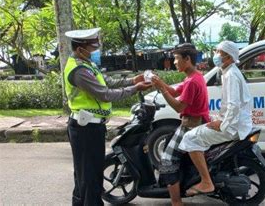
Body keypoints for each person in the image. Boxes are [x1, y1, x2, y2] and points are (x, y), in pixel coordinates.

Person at [64, 28, 153, 206]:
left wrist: (133, 80)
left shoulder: (87, 65)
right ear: (80, 48)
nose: (95, 50)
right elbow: (105, 94)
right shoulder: (79, 70)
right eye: (92, 47)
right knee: (89, 176)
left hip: (91, 127)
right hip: (85, 128)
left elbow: (107, 82)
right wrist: (135, 89)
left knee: (86, 174)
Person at [178, 40, 253, 196]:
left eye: (218, 52)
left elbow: (233, 105)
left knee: (189, 138)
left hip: (232, 127)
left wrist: (222, 124)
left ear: (228, 57)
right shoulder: (229, 72)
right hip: (236, 124)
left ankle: (206, 182)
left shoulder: (231, 74)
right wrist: (216, 118)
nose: (215, 55)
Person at [151, 43, 210, 206]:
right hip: (194, 122)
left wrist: (162, 90)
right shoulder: (194, 77)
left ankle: (176, 202)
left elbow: (178, 106)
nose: (174, 62)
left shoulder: (192, 82)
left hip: (191, 125)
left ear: (187, 59)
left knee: (167, 159)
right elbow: (176, 91)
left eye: (177, 59)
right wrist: (160, 82)